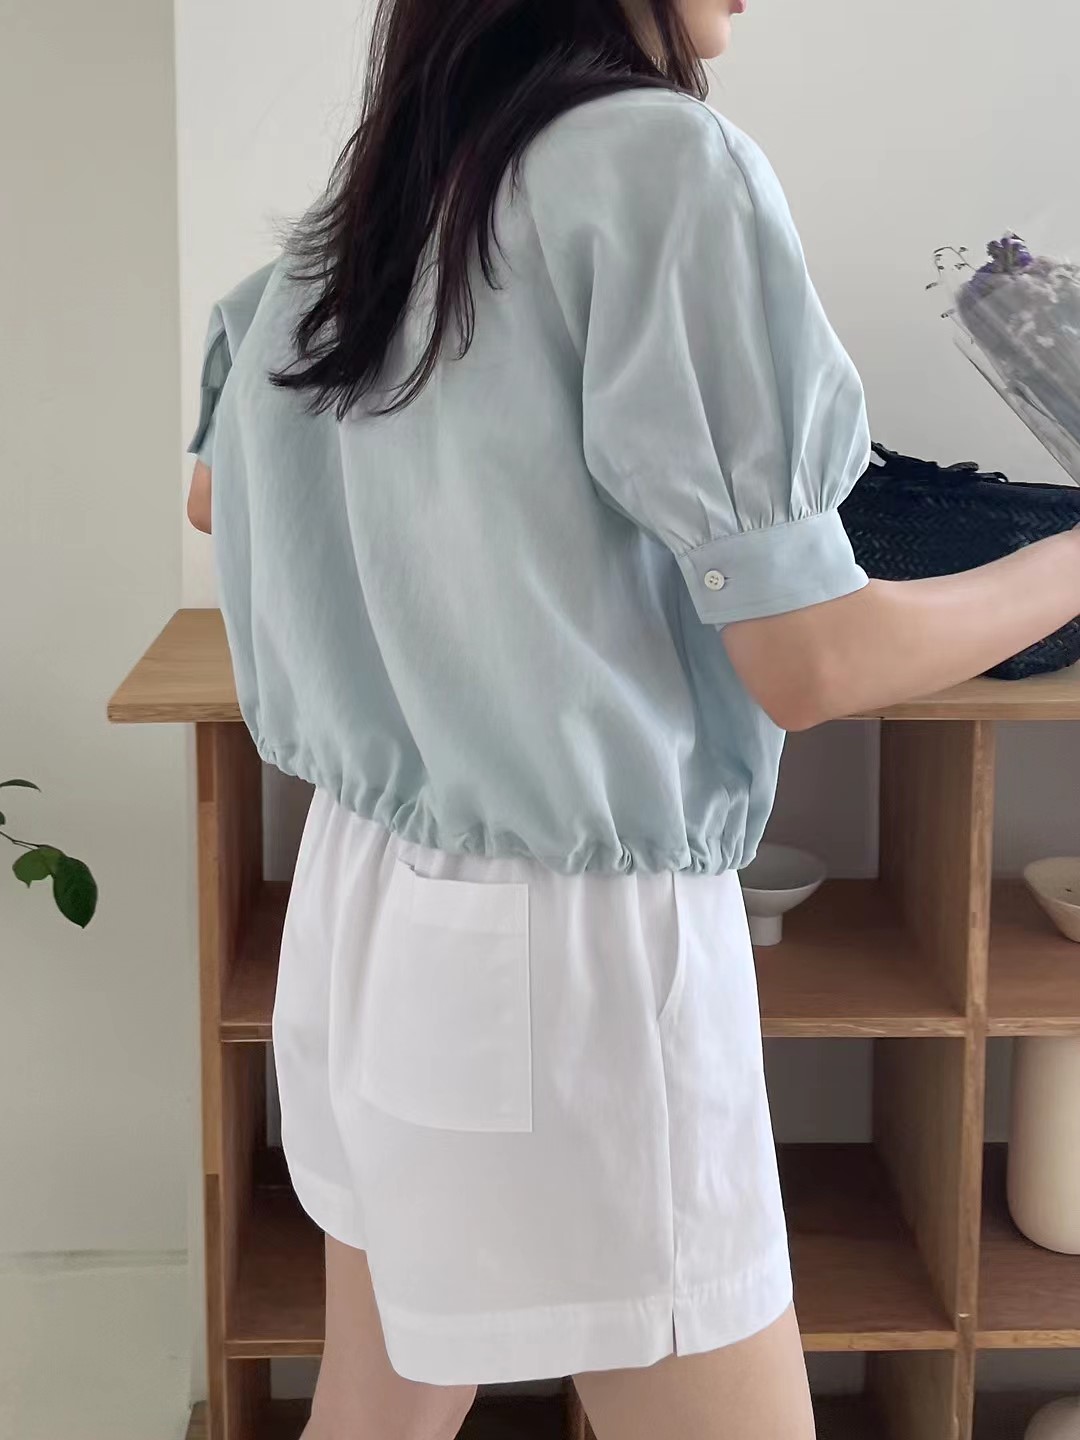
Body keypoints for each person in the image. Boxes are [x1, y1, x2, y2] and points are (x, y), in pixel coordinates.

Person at [186, 1, 1080, 1436]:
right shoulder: (659, 165)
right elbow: (809, 660)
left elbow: (216, 493)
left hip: (362, 906)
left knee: (376, 1404)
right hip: (572, 943)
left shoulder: (397, 188)